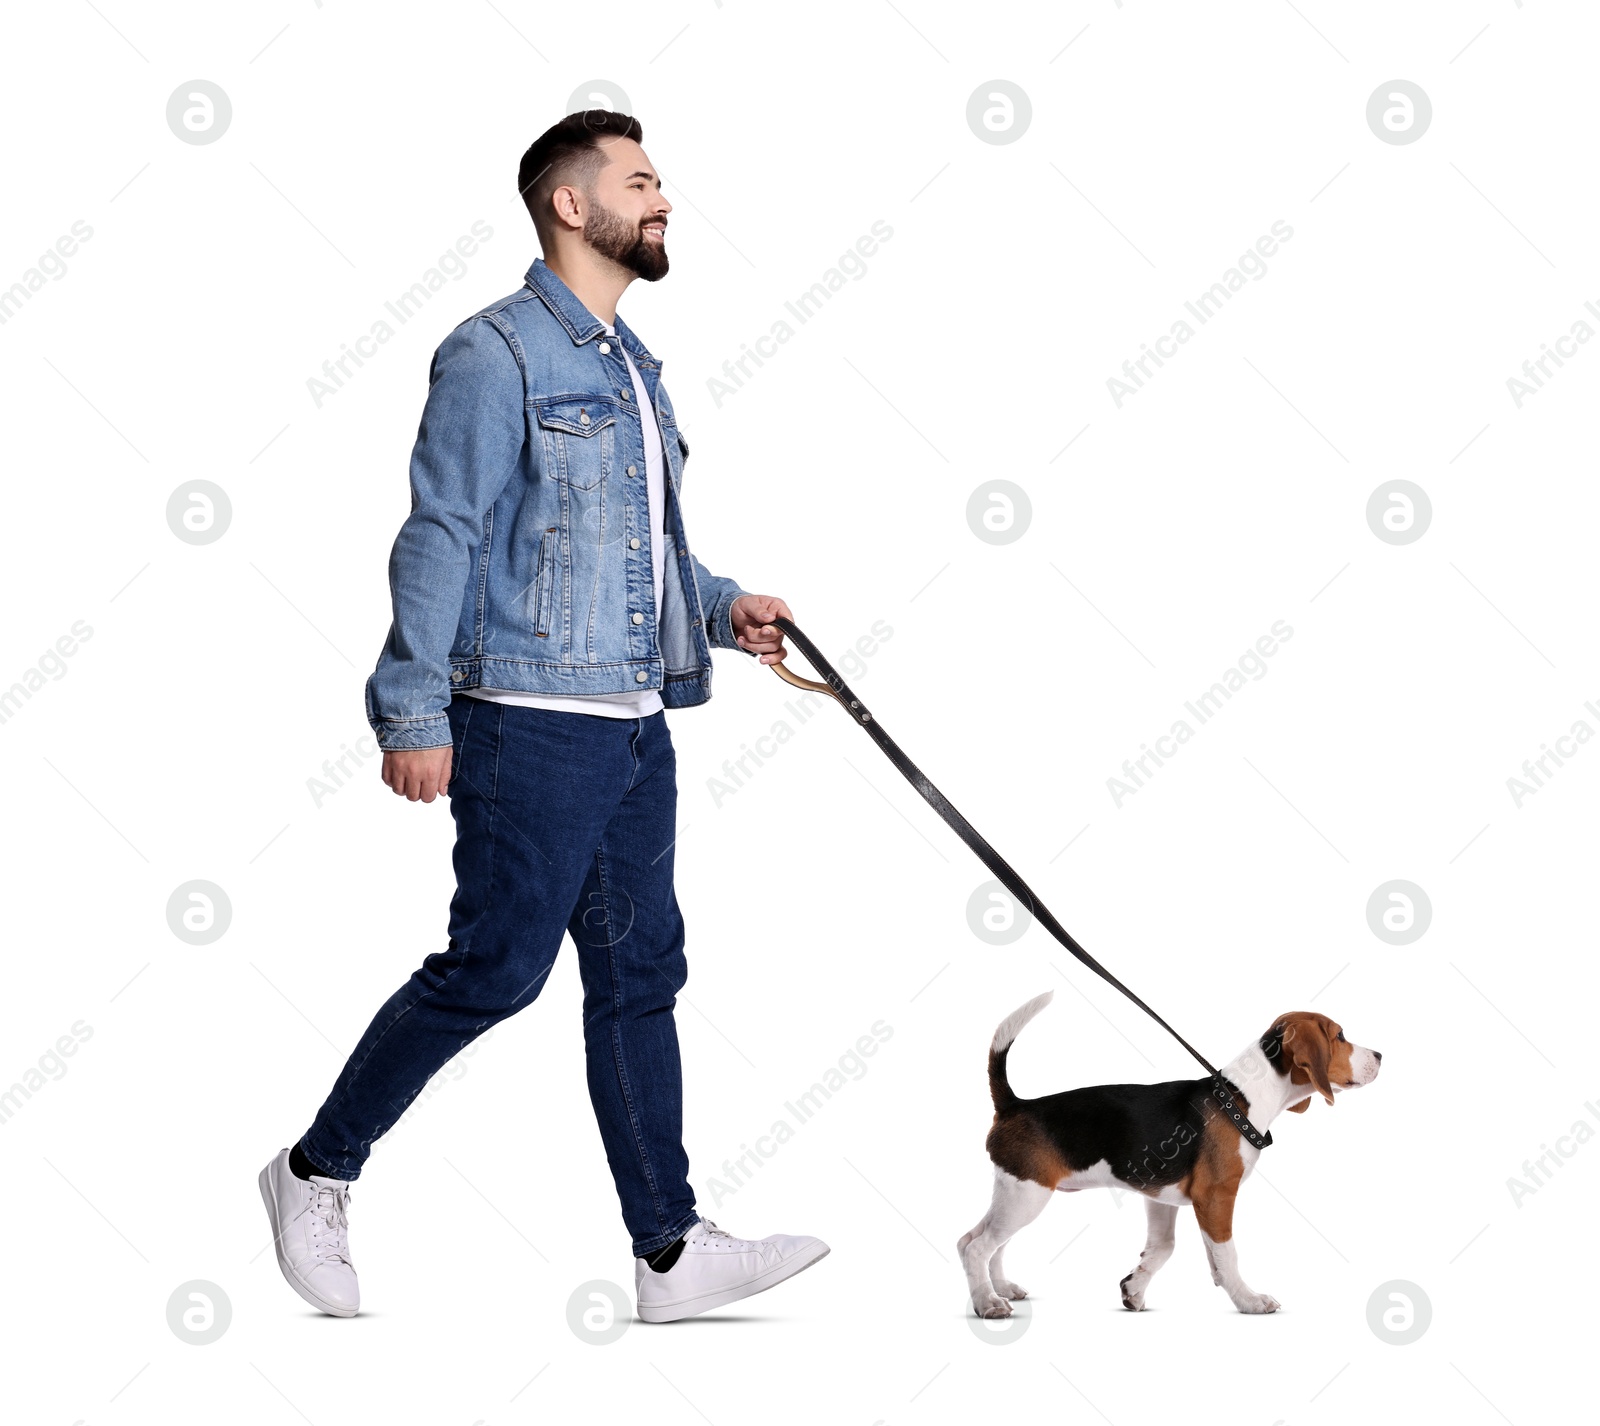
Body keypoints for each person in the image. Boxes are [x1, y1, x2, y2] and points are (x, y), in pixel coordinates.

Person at [259, 109, 828, 1324]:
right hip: (526, 725)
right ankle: (313, 1172)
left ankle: (668, 1252)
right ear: (572, 204)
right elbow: (441, 534)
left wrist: (725, 611)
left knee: (642, 974)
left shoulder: (635, 367)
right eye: (641, 180)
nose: (664, 197)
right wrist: (411, 705)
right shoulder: (496, 353)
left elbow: (642, 553)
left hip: (632, 727)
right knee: (496, 969)